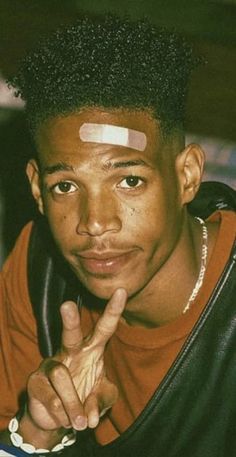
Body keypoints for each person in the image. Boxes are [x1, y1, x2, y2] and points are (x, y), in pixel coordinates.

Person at [0, 14, 235, 457]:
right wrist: (38, 429)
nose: (95, 223)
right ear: (36, 190)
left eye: (129, 181)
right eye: (65, 186)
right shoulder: (38, 269)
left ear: (187, 176)